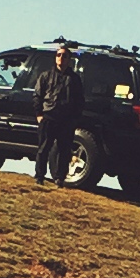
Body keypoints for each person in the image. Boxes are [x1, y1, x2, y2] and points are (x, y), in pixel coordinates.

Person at [32, 42, 83, 185]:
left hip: (66, 120)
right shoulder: (46, 76)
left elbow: (80, 100)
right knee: (43, 148)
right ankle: (39, 176)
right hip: (48, 117)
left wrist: (74, 119)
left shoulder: (74, 79)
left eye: (65, 56)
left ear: (69, 59)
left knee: (64, 150)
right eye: (58, 55)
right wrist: (39, 115)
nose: (61, 58)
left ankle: (60, 178)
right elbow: (37, 95)